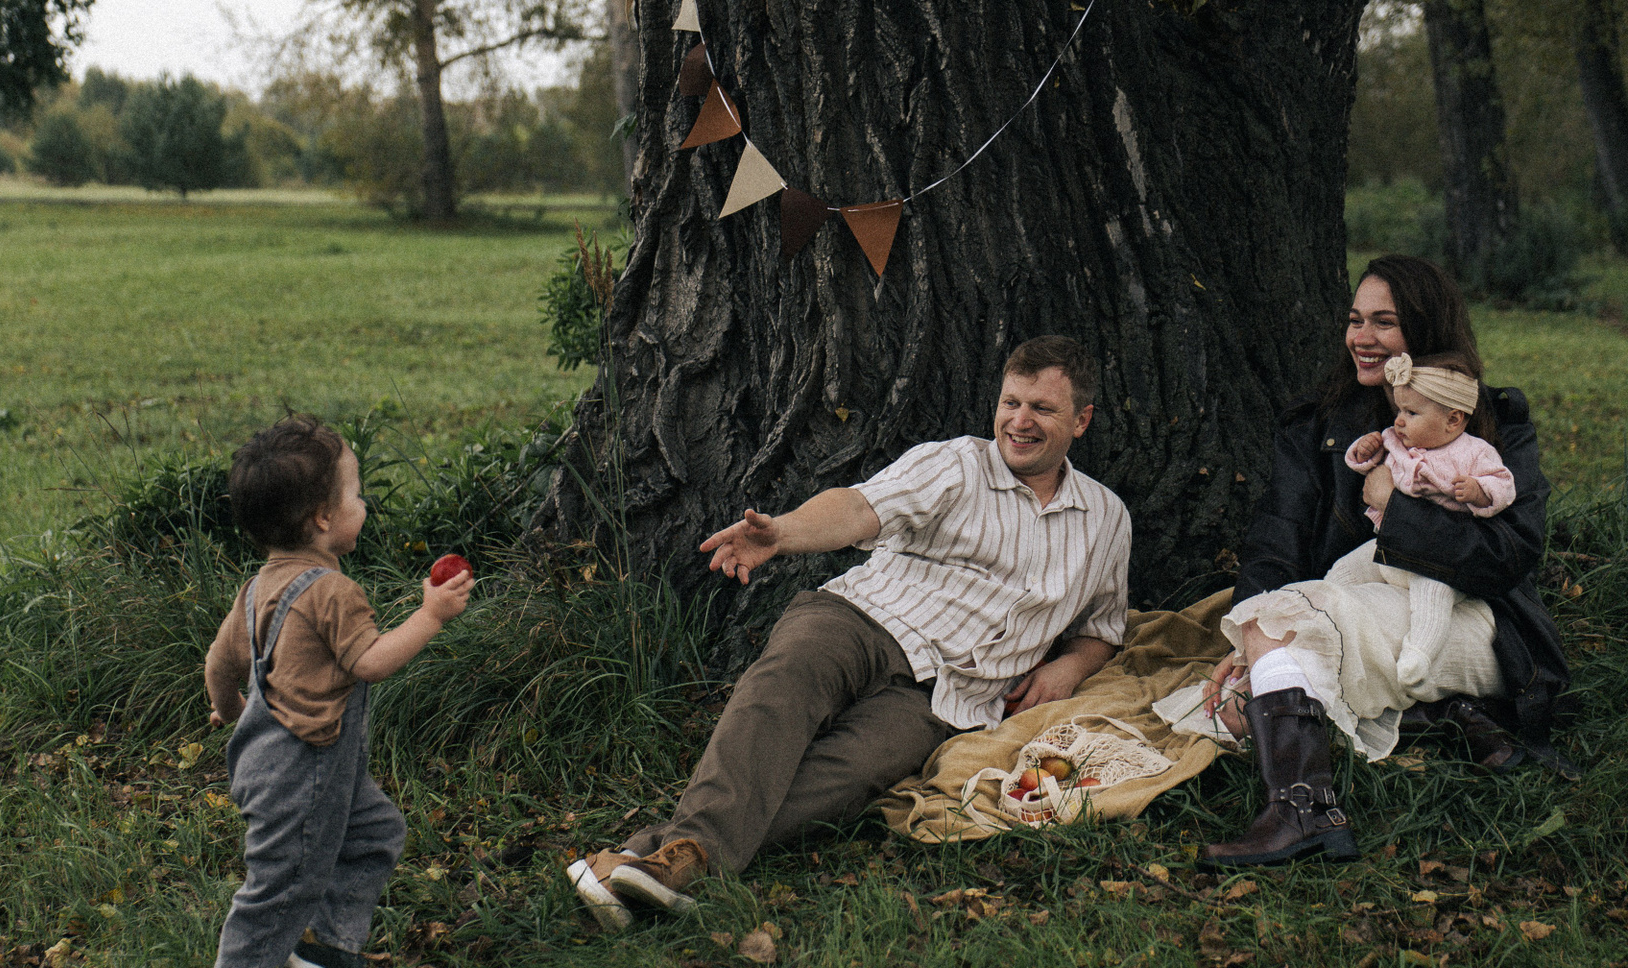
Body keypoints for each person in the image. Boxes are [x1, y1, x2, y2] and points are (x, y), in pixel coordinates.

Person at [568, 336, 1131, 930]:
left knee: (847, 777)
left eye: (1042, 408)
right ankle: (685, 862)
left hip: (946, 695)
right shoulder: (957, 464)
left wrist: (1069, 667)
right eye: (1011, 402)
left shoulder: (1105, 519)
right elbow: (860, 508)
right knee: (780, 688)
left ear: (1081, 420)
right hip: (861, 620)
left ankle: (640, 858)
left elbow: (1102, 626)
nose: (1020, 421)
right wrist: (782, 533)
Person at [1198, 255, 1571, 870]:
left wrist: (1397, 511)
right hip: (1355, 605)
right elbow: (1276, 544)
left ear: (1425, 331)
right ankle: (1440, 715)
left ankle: (1304, 814)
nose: (1363, 338)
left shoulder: (1494, 427)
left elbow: (1507, 558)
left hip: (1470, 622)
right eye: (1355, 320)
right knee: (1236, 711)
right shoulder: (1317, 425)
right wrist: (1244, 647)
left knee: (1273, 648)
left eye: (1385, 322)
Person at [182, 414, 473, 968]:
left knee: (374, 833)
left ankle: (325, 943)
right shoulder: (333, 593)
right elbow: (370, 661)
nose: (363, 505)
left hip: (281, 760)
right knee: (281, 886)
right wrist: (430, 616)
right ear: (321, 518)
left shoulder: (255, 590)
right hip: (303, 772)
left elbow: (218, 663)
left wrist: (229, 708)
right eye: (356, 494)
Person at [1342, 350, 1515, 689]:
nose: (1399, 421)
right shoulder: (1395, 440)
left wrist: (1479, 491)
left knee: (1432, 596)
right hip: (1388, 547)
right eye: (1399, 410)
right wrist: (1363, 451)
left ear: (1453, 420)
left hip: (1437, 560)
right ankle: (1321, 604)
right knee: (1348, 568)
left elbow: (1504, 485)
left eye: (1411, 413)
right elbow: (1366, 466)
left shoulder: (1474, 452)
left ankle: (1419, 654)